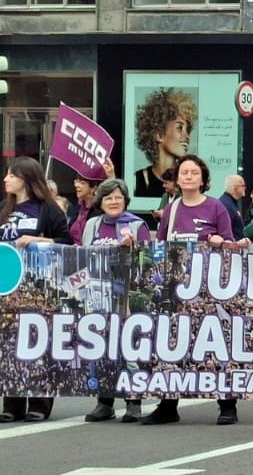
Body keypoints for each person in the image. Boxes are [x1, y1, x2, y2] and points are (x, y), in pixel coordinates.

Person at [145, 154, 249, 426]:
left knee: (214, 346)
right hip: (178, 292)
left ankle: (227, 405)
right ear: (177, 179)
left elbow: (230, 245)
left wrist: (218, 241)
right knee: (172, 347)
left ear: (203, 179)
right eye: (184, 172)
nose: (188, 176)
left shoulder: (216, 208)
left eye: (194, 172)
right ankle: (168, 404)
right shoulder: (172, 210)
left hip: (209, 290)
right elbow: (162, 248)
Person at [0, 157, 74, 423]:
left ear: (26, 178)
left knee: (37, 345)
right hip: (8, 288)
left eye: (11, 175)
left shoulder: (48, 209)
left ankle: (39, 401)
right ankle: (12, 402)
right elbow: (1, 242)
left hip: (39, 287)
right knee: (9, 345)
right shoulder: (3, 209)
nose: (6, 179)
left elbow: (67, 243)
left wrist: (40, 240)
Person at [79, 179, 150, 423]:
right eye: (108, 198)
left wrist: (132, 250)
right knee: (102, 350)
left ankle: (133, 402)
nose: (113, 202)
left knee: (129, 350)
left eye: (118, 197)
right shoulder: (92, 225)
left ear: (125, 200)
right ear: (100, 201)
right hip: (98, 299)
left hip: (126, 300)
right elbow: (82, 256)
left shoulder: (137, 225)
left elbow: (146, 264)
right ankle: (104, 401)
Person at [132, 88, 196, 197]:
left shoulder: (189, 178)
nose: (187, 136)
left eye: (188, 130)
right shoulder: (137, 181)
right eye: (179, 128)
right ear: (159, 134)